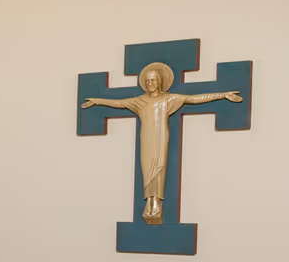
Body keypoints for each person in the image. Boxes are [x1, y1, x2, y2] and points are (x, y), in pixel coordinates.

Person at [83, 63, 242, 224]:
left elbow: (193, 99)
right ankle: (148, 201)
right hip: (146, 137)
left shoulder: (168, 99)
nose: (150, 84)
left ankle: (156, 202)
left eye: (153, 80)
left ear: (159, 81)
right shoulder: (140, 101)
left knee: (158, 167)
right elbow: (119, 103)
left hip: (160, 137)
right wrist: (96, 100)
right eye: (148, 81)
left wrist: (222, 95)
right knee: (147, 169)